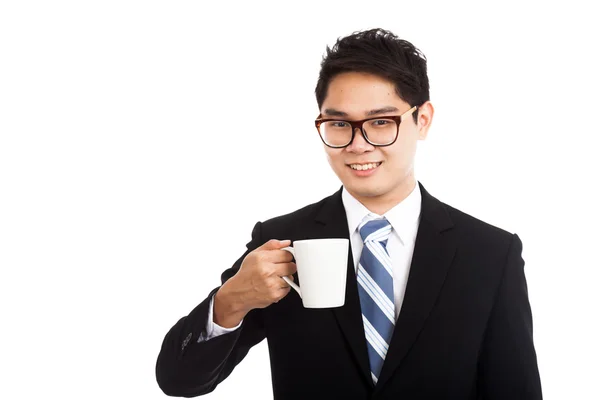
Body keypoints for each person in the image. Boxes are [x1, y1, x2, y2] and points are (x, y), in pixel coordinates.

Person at [155, 28, 542, 399]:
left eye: (380, 122)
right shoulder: (281, 242)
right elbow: (179, 381)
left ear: (422, 120)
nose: (358, 145)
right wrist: (230, 301)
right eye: (339, 124)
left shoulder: (490, 253)